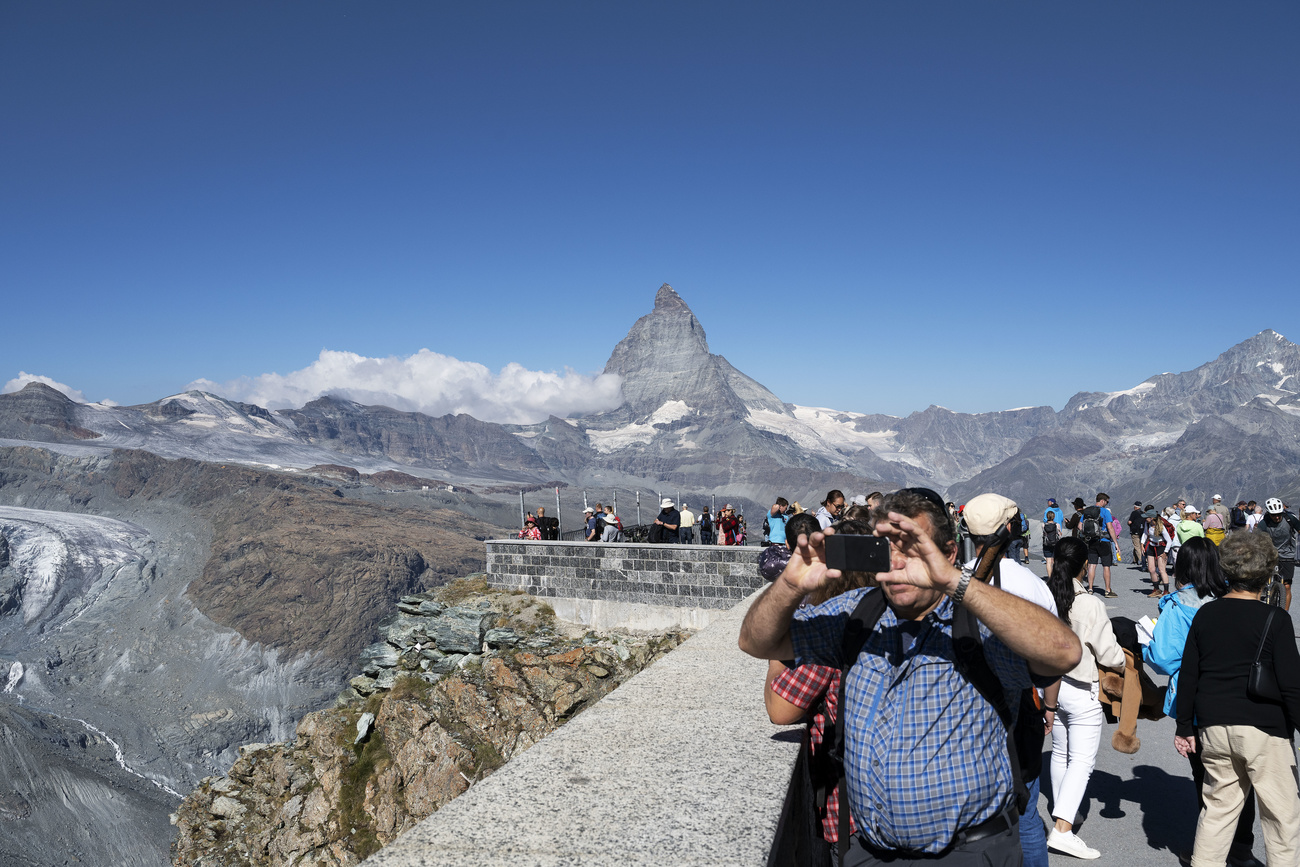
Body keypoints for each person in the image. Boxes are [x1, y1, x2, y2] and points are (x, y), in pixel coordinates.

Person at [739, 489, 1081, 866]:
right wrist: (790, 585)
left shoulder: (974, 625)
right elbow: (756, 641)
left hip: (967, 853)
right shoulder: (858, 615)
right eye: (888, 549)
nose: (898, 564)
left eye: (913, 548)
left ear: (949, 553)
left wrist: (955, 582)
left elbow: (1064, 651)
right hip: (869, 852)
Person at [1175, 531, 1300, 867]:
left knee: (1218, 811)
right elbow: (1292, 685)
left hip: (1214, 728)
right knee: (1281, 818)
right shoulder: (1276, 620)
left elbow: (1190, 675)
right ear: (1267, 573)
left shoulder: (1206, 614)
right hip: (1265, 731)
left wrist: (1184, 726)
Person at [1143, 538, 1261, 867]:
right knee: (1241, 776)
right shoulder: (1234, 597)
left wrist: (1145, 646)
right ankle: (1242, 848)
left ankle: (1212, 852)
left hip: (1197, 702)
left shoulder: (1178, 604)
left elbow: (1165, 659)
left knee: (1208, 781)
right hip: (1241, 697)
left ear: (1182, 568)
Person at [763, 518, 877, 853]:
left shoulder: (833, 627)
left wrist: (777, 653)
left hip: (855, 818)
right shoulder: (888, 615)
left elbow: (780, 711)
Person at [1041, 537, 1125, 859]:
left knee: (1060, 752)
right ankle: (1063, 830)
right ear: (1083, 565)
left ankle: (1063, 812)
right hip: (1081, 689)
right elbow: (1109, 653)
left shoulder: (1046, 593)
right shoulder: (1089, 603)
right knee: (1082, 761)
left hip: (1051, 686)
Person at [1256, 498, 1300, 611]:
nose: (1276, 517)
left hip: (1288, 555)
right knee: (1260, 582)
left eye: (1278, 514)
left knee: (1287, 586)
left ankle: (1284, 614)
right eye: (1273, 515)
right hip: (1270, 554)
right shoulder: (1264, 523)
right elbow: (1256, 539)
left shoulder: (1290, 519)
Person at [1081, 494, 1120, 597]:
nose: (1107, 504)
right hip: (1104, 541)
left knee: (1092, 565)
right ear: (1102, 501)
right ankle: (1107, 590)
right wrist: (1115, 542)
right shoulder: (1105, 512)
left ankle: (1090, 588)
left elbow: (1080, 526)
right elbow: (1110, 527)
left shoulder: (1088, 511)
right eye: (1107, 502)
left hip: (1091, 541)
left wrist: (1087, 534)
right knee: (1106, 566)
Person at [1142, 508, 1176, 597]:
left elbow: (1169, 540)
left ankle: (1166, 591)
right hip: (1152, 546)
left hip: (1161, 547)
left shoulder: (1161, 526)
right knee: (1151, 569)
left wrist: (1165, 552)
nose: (1145, 519)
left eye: (1147, 517)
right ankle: (1156, 589)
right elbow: (1145, 534)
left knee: (1161, 570)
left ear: (1152, 518)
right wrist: (1142, 543)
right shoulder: (1147, 524)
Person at [1043, 509, 1061, 576]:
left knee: (1048, 561)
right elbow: (1059, 534)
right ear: (1054, 517)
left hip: (1047, 544)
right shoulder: (1057, 525)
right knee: (1054, 561)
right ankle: (1055, 576)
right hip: (1055, 544)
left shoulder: (1043, 525)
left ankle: (1050, 577)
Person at [1128, 502, 1146, 566]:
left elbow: (1130, 522)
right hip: (1142, 531)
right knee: (1139, 545)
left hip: (1134, 531)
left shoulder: (1134, 513)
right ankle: (1135, 560)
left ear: (1135, 506)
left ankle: (1142, 560)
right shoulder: (1143, 513)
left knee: (1137, 546)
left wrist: (1129, 524)